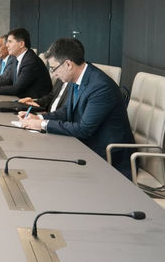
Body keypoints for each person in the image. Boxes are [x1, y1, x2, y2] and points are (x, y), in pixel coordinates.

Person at [20, 38, 135, 179]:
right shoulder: (77, 78)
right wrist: (39, 117)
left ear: (68, 64)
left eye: (53, 68)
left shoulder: (100, 86)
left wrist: (43, 124)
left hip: (108, 156)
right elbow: (66, 111)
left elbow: (84, 129)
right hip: (86, 146)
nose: (53, 74)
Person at [0, 28, 52, 98]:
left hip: (33, 102)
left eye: (10, 42)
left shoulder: (30, 61)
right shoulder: (16, 59)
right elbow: (8, 81)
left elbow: (17, 89)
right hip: (20, 99)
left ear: (21, 44)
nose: (7, 45)